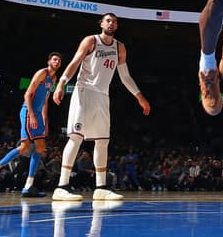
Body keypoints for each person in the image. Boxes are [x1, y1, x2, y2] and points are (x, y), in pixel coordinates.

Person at [52, 13, 150, 201]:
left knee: (102, 141)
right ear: (101, 23)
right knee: (75, 137)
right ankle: (61, 186)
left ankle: (101, 187)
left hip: (103, 96)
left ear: (117, 26)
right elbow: (74, 63)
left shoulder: (120, 47)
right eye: (108, 20)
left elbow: (125, 76)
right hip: (84, 91)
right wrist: (61, 83)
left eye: (114, 21)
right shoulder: (91, 41)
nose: (111, 23)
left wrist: (140, 96)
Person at [0, 52, 63, 197]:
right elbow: (27, 94)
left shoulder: (54, 78)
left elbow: (45, 101)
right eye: (55, 59)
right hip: (27, 111)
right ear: (49, 61)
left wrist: (45, 120)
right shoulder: (42, 73)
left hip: (37, 114)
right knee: (24, 148)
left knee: (40, 147)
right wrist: (31, 114)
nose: (57, 62)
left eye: (60, 61)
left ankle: (28, 186)